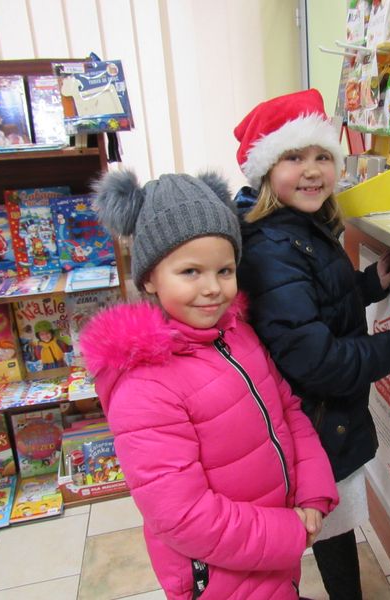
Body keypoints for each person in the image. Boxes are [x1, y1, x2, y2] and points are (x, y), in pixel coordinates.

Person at [80, 169, 339, 600]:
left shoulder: (238, 334)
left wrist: (312, 490)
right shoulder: (144, 387)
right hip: (221, 576)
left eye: (225, 270)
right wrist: (288, 531)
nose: (212, 289)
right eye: (190, 272)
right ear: (149, 278)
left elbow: (288, 411)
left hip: (269, 554)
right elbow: (183, 516)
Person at [233, 89, 390, 599]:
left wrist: (367, 285)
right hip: (313, 419)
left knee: (331, 524)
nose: (312, 170)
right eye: (293, 157)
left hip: (320, 417)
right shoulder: (273, 247)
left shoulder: (298, 228)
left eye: (322, 156)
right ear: (265, 171)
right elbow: (316, 359)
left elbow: (313, 305)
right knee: (320, 523)